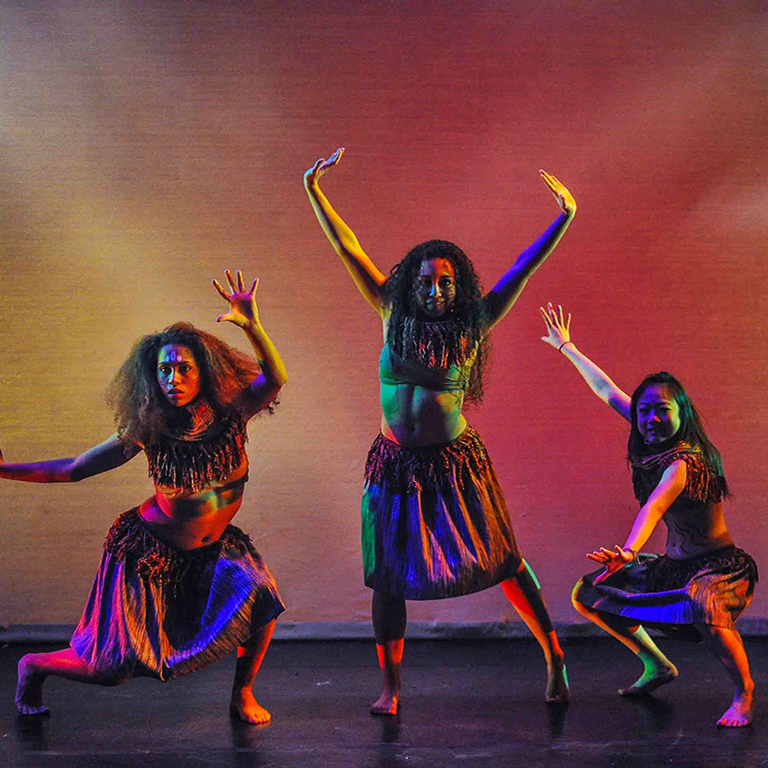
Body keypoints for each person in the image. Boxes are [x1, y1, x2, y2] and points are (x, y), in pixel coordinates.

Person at [304, 147, 577, 714]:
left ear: (460, 287)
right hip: (394, 464)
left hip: (453, 463)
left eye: (447, 284)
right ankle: (392, 687)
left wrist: (563, 217)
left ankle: (553, 653)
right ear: (411, 284)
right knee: (386, 577)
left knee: (503, 561)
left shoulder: (473, 323)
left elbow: (522, 268)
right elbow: (345, 246)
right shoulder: (388, 310)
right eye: (427, 282)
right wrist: (315, 191)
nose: (436, 292)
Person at [9, 270, 287, 724]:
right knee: (111, 667)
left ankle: (243, 695)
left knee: (261, 600)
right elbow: (75, 469)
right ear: (152, 377)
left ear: (203, 373)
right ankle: (34, 665)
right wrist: (3, 470)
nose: (173, 379)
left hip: (215, 550)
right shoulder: (149, 428)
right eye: (164, 370)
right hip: (147, 554)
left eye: (183, 369)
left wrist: (253, 328)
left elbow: (275, 376)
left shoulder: (233, 412)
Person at [540, 303, 757, 727]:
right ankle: (657, 665)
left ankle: (744, 693)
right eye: (644, 410)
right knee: (590, 594)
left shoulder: (683, 462)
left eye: (663, 410)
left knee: (704, 607)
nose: (652, 418)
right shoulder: (647, 433)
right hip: (673, 568)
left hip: (717, 568)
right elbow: (607, 391)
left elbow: (655, 507)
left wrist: (629, 549)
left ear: (682, 416)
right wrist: (567, 347)